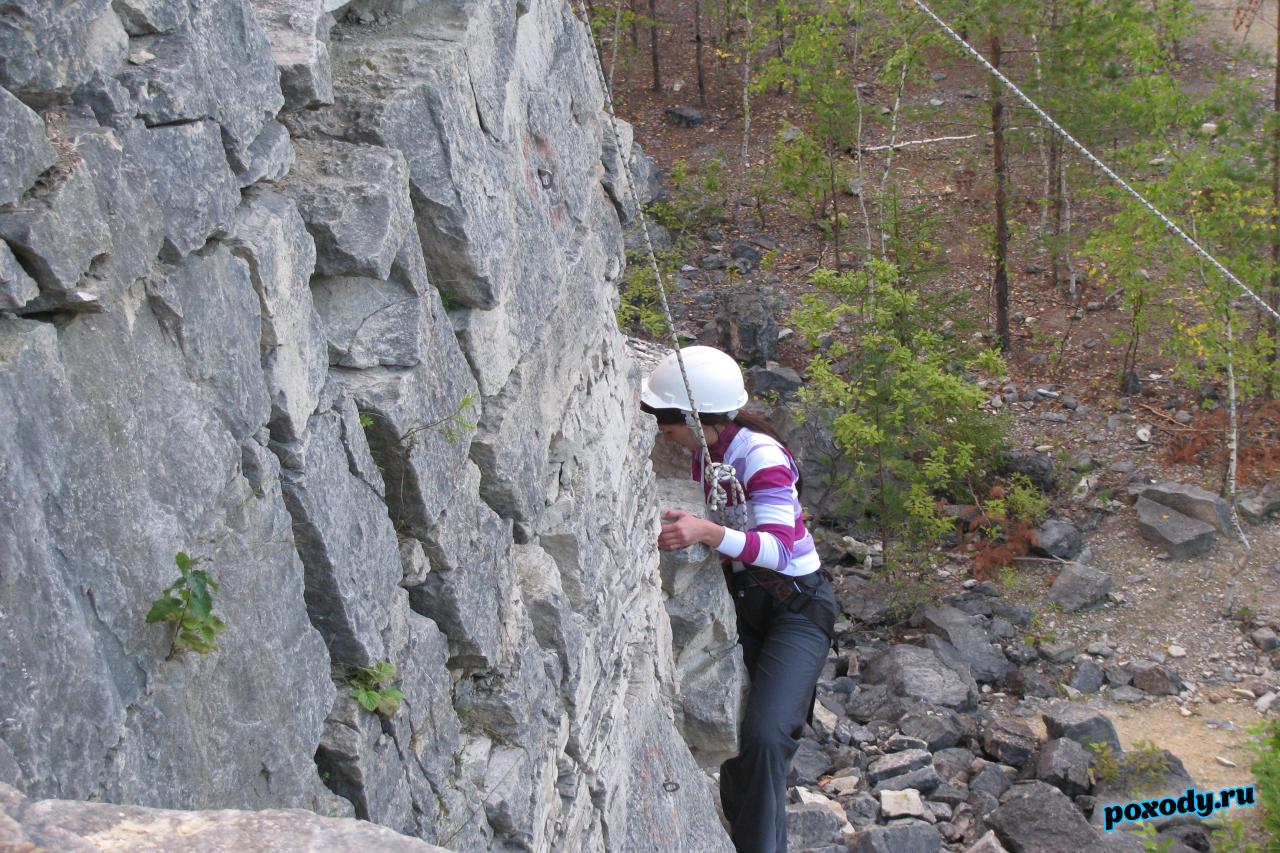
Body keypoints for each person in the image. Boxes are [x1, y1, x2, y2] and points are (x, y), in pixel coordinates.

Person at [640, 345, 838, 853]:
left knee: (768, 736)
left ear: (694, 418)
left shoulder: (759, 455)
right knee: (731, 728)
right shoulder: (709, 453)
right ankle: (739, 834)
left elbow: (776, 549)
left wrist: (706, 531)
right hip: (746, 599)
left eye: (670, 427)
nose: (669, 438)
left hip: (793, 608)